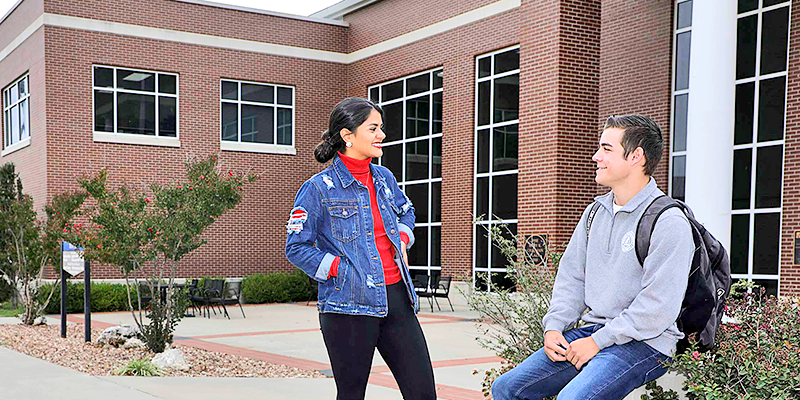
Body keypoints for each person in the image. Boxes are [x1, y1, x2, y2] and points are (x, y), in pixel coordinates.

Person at [491, 115, 694, 400]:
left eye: (606, 149)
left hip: (645, 342)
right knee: (507, 389)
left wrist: (598, 342)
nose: (596, 156)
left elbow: (657, 308)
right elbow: (572, 278)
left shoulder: (668, 221)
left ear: (636, 156)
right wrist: (553, 327)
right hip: (593, 331)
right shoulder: (594, 214)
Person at [285, 97, 437, 400]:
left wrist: (403, 239)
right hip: (348, 306)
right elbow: (297, 247)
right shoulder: (318, 188)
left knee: (422, 393)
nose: (381, 135)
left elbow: (407, 212)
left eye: (380, 128)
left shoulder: (385, 179)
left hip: (397, 299)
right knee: (352, 395)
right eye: (373, 128)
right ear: (347, 135)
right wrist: (341, 270)